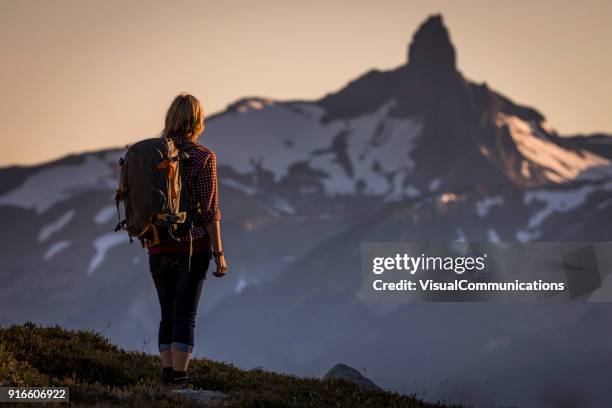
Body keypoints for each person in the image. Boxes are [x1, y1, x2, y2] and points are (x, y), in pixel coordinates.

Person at [148, 93, 228, 386]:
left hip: (157, 246)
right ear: (197, 121)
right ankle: (180, 379)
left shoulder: (154, 155)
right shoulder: (203, 157)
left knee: (166, 313)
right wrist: (219, 253)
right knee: (185, 316)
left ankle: (168, 375)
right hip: (192, 246)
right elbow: (210, 211)